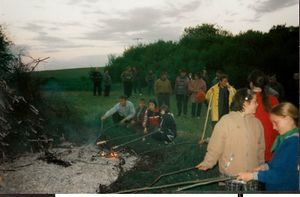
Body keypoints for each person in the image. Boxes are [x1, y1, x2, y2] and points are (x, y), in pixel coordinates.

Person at [196, 88, 265, 190]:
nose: (257, 104)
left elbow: (260, 148)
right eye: (255, 102)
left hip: (251, 175)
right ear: (245, 103)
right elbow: (216, 146)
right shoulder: (226, 121)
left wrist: (261, 166)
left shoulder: (257, 124)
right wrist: (208, 162)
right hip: (231, 174)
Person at [238, 102, 299, 191]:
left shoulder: (293, 143)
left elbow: (280, 175)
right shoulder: (287, 139)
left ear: (288, 118)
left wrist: (253, 176)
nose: (274, 127)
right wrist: (265, 167)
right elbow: (279, 164)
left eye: (276, 122)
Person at [248, 70, 279, 162]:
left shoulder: (247, 100)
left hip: (253, 146)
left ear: (251, 84)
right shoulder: (273, 99)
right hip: (271, 145)